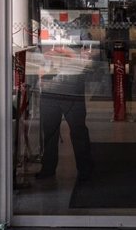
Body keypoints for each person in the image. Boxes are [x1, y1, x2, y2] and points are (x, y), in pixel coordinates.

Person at [36, 45, 94, 181]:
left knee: (78, 130)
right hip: (50, 92)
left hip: (72, 91)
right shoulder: (46, 37)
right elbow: (41, 60)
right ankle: (48, 168)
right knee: (50, 132)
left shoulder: (79, 35)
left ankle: (85, 169)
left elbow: (87, 60)